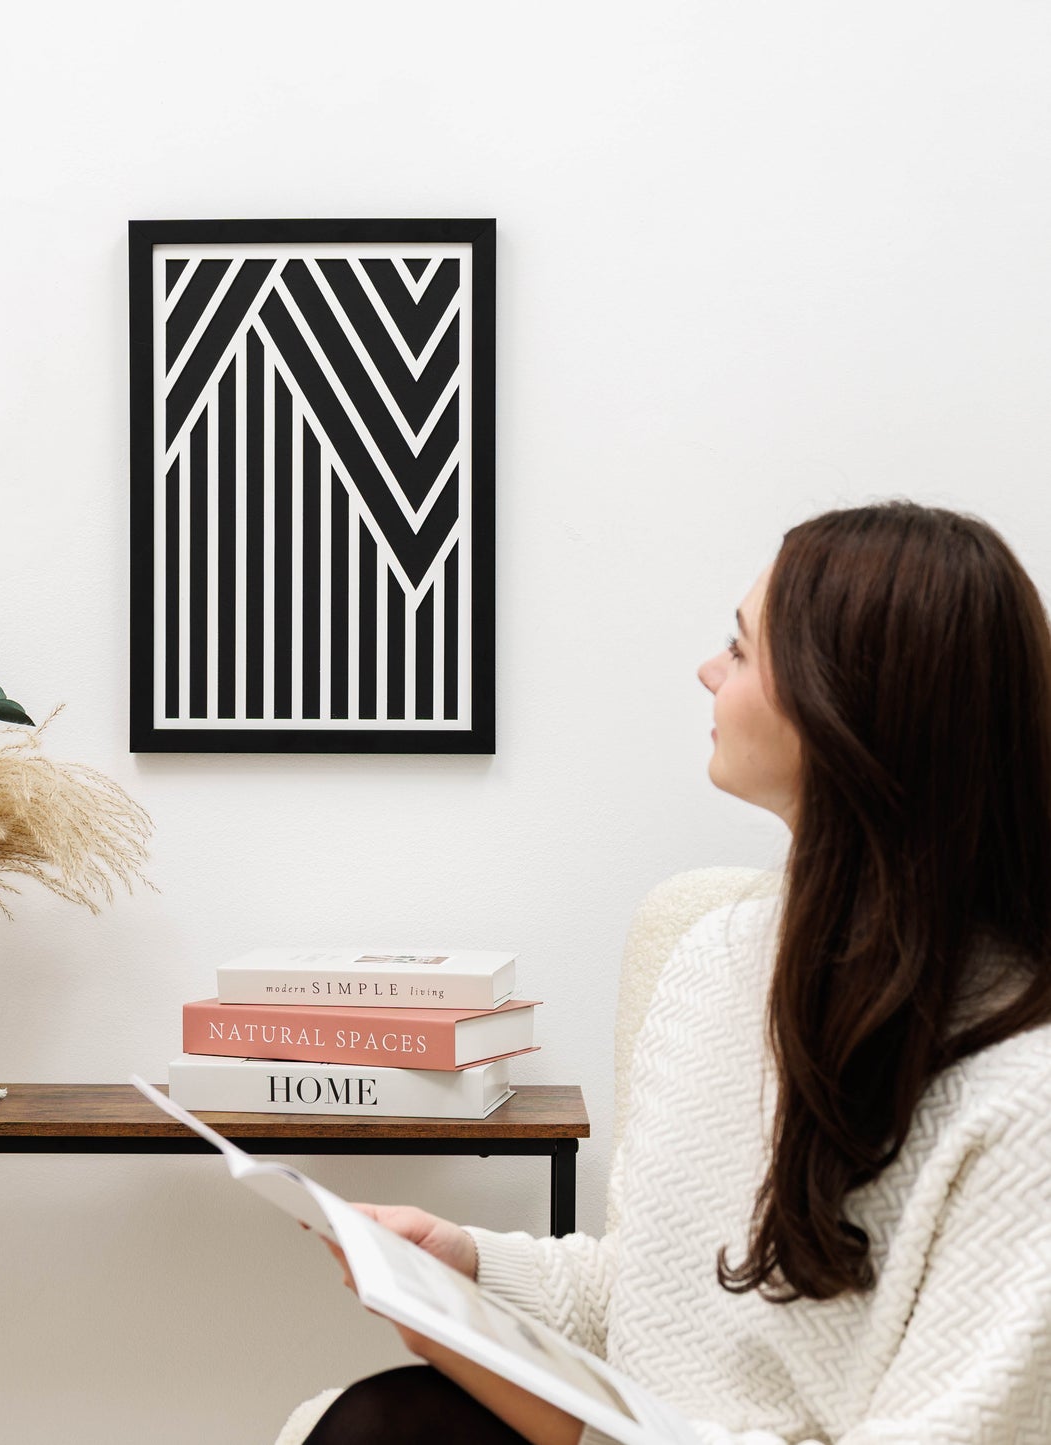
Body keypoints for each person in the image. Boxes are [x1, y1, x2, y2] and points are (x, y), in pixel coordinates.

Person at [299, 501, 1051, 1445]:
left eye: (738, 650)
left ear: (844, 710)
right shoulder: (712, 961)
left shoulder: (1024, 1097)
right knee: (375, 1423)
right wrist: (469, 1268)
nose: (707, 670)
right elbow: (658, 1303)